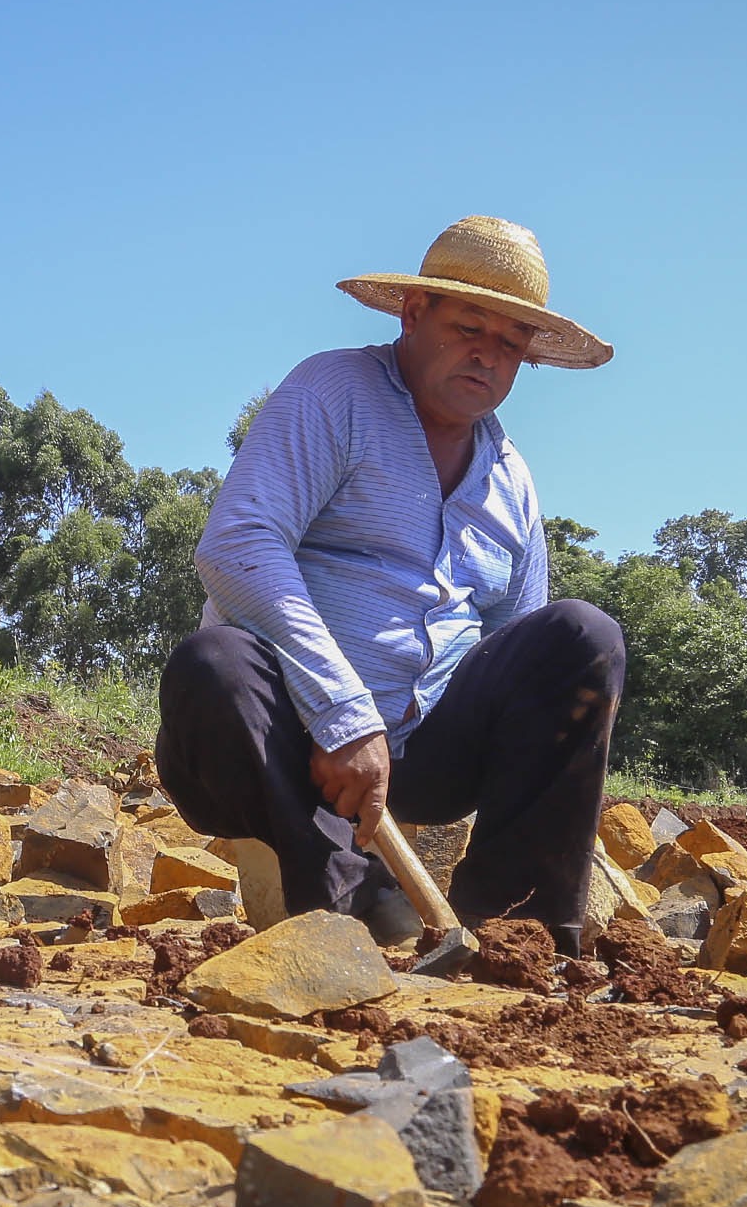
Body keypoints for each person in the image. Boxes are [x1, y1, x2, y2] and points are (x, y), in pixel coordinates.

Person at [157, 215, 626, 956]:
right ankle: (340, 898)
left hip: (426, 758)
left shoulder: (513, 482)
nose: (487, 355)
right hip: (288, 737)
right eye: (470, 326)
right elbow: (238, 546)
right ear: (415, 313)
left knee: (581, 637)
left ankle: (519, 934)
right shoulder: (335, 392)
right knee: (213, 665)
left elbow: (518, 651)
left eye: (509, 344)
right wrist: (341, 714)